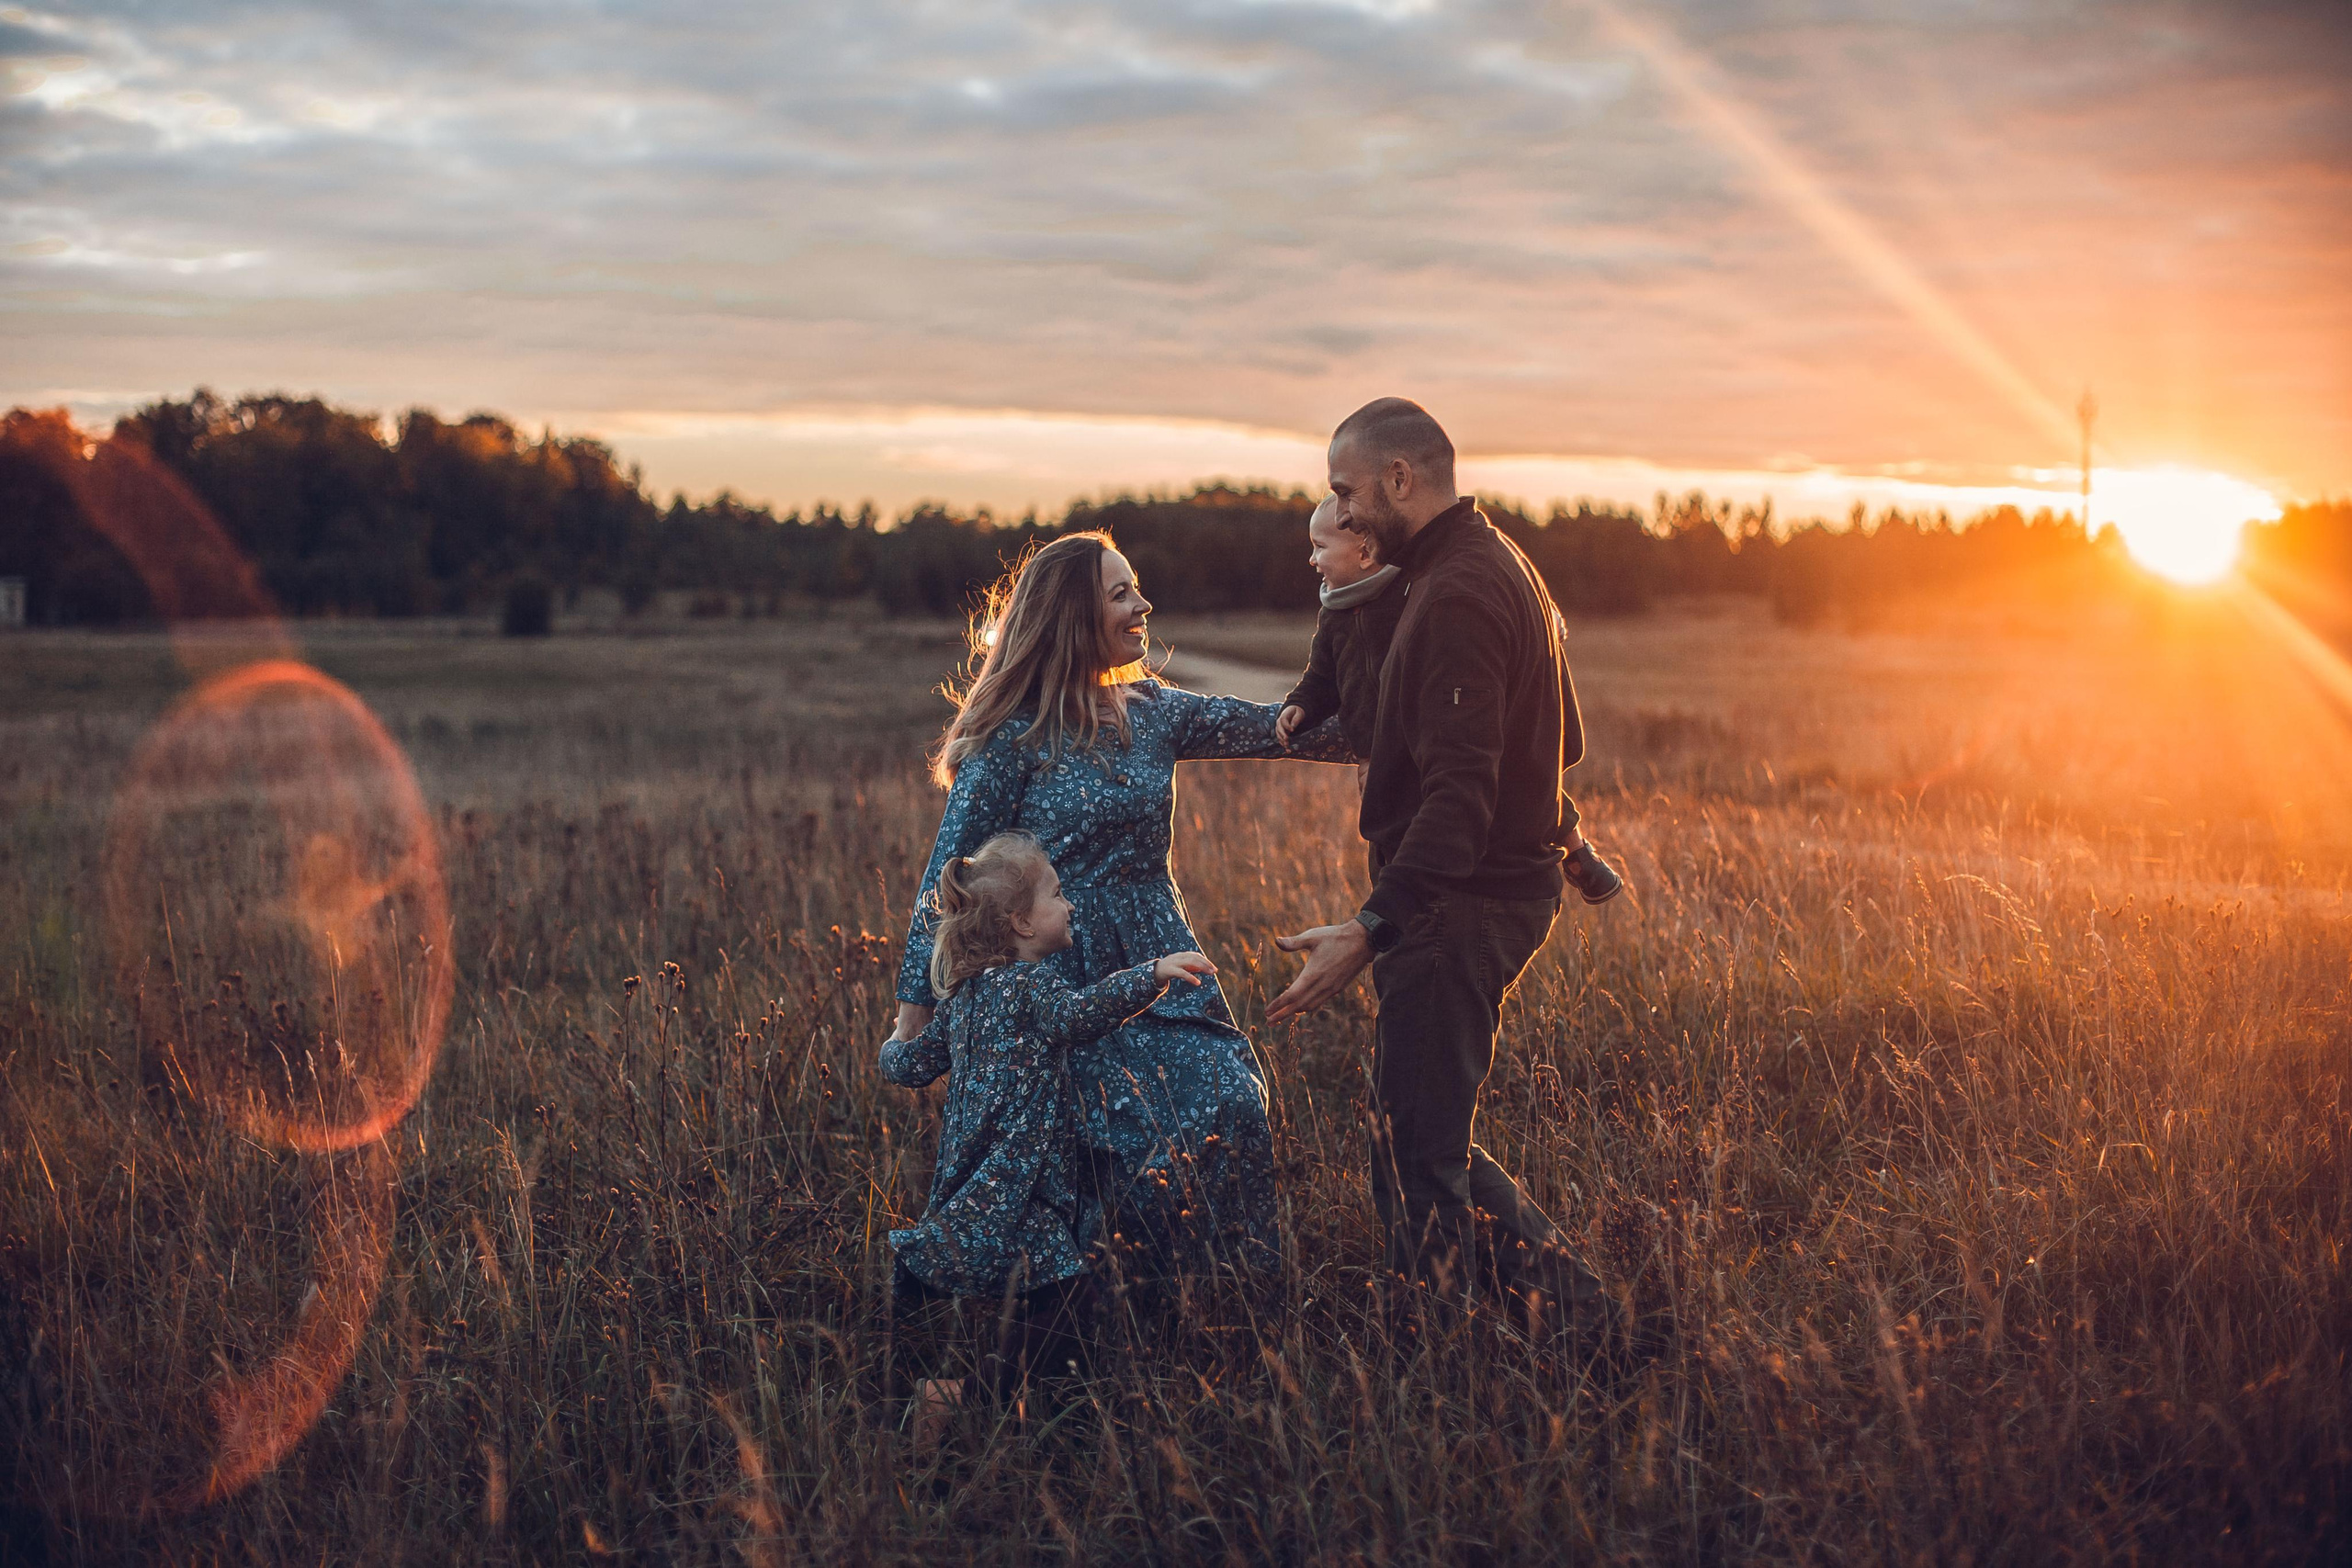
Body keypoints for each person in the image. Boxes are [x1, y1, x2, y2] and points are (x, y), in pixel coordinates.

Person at [888, 531, 1350, 1280]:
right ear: (1075, 614)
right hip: (1052, 968)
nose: (1143, 605)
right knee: (1098, 1138)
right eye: (1120, 593)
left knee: (1227, 1096)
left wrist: (1416, 733)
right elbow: (949, 874)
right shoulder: (1014, 734)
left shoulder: (1154, 710)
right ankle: (1091, 1309)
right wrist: (917, 1009)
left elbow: (1279, 730)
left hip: (1158, 951)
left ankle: (1215, 1298)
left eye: (1136, 588)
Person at [1267, 397, 1615, 1338]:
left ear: (1397, 480)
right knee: (1420, 1134)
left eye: (1345, 491)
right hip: (1481, 893)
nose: (1337, 514)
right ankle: (1580, 1320)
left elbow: (1459, 801)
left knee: (1413, 1150)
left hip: (1460, 905)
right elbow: (1565, 742)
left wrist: (1370, 929)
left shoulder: (1457, 592)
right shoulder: (1497, 563)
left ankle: (1455, 1355)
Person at [879, 830, 1216, 1402]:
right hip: (1022, 1184)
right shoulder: (1032, 988)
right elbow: (1082, 1014)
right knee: (1066, 1310)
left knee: (979, 1269)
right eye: (1057, 895)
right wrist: (1153, 972)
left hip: (977, 1179)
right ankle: (954, 1396)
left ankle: (911, 1374)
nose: (1070, 904)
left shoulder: (964, 998)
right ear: (1022, 923)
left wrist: (891, 1043)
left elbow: (909, 1065)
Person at [1276, 495, 1626, 905]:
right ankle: (1397, 903)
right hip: (1376, 749)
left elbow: (1489, 615)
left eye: (1320, 547)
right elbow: (1321, 677)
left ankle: (1579, 853)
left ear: (1365, 553)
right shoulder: (1333, 616)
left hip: (1422, 739)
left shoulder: (1410, 597)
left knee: (1532, 787)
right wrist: (1301, 704)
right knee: (1390, 827)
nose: (1312, 560)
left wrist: (1544, 619)